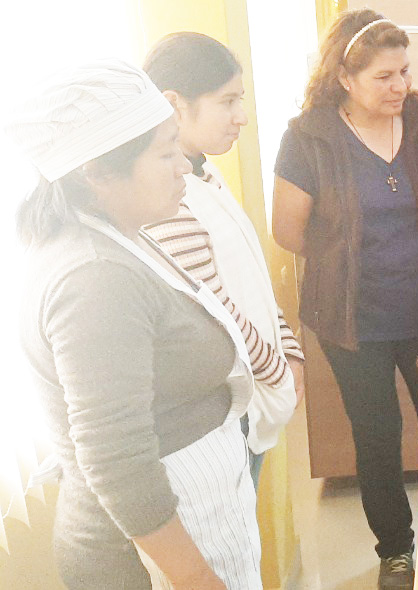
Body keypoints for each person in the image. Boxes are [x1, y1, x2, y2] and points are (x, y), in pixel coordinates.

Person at [11, 59, 261, 589]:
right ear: (96, 172)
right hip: (148, 560)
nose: (184, 167)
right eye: (166, 153)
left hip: (201, 516)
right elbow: (116, 458)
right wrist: (197, 579)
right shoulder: (93, 277)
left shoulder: (121, 235)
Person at [271, 10, 418, 589]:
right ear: (344, 78)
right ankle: (396, 551)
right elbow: (288, 231)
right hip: (352, 321)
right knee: (376, 437)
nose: (399, 86)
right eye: (383, 76)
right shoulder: (309, 136)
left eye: (404, 71)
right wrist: (352, 259)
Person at [142, 32, 303, 487]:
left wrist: (289, 348)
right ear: (174, 105)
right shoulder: (169, 198)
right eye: (227, 101)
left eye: (241, 100)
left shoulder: (204, 171)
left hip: (257, 387)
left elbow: (250, 278)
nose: (242, 117)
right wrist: (279, 373)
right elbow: (217, 310)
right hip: (231, 404)